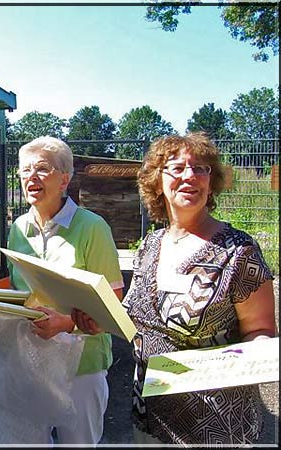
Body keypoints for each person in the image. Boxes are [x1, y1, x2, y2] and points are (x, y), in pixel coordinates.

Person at [72, 132, 277, 445]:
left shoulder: (238, 252)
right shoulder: (150, 246)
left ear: (211, 182)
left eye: (200, 168)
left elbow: (261, 332)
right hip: (150, 414)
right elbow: (134, 316)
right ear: (157, 181)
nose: (189, 176)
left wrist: (243, 359)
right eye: (177, 168)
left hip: (214, 424)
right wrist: (100, 320)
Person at [8, 136, 124, 444]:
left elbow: (114, 304)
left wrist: (67, 324)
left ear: (65, 180)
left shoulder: (92, 227)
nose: (31, 177)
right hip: (31, 362)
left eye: (42, 169)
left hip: (82, 368)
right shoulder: (17, 229)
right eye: (24, 170)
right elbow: (18, 292)